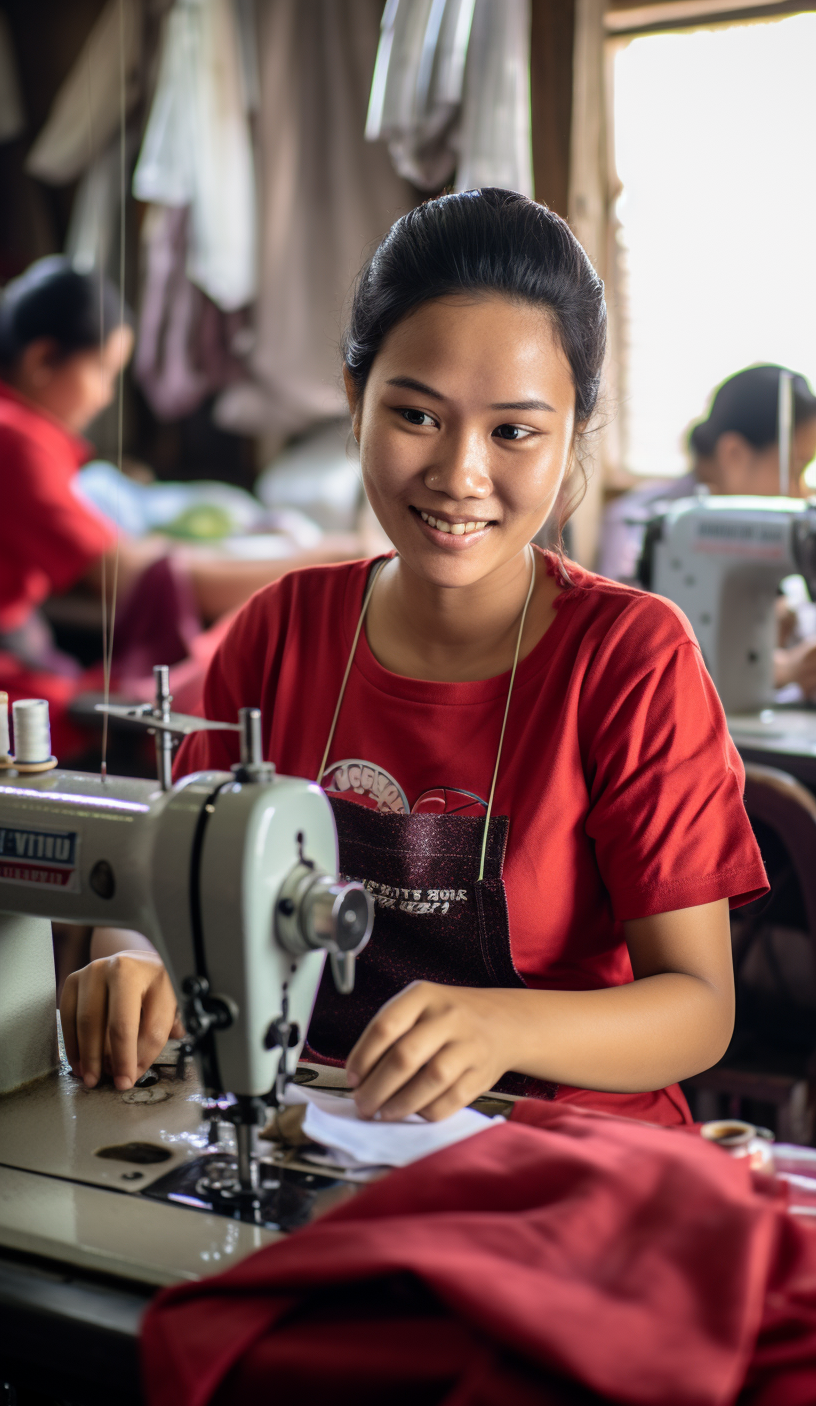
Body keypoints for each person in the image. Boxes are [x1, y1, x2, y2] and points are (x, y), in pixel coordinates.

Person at [59, 190, 768, 1127]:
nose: (460, 474)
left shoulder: (632, 660)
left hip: (567, 1147)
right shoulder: (280, 633)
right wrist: (135, 963)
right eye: (418, 416)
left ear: (571, 438)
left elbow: (700, 1007)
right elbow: (165, 877)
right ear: (356, 402)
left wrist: (501, 1030)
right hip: (321, 1124)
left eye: (514, 431)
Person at [0, 256, 361, 756]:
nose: (105, 396)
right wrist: (329, 558)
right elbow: (129, 575)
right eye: (102, 371)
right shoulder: (14, 441)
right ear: (43, 360)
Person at [598, 365, 816, 696]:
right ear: (735, 454)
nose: (803, 492)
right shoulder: (639, 523)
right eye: (796, 468)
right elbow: (627, 659)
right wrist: (781, 669)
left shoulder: (769, 542)